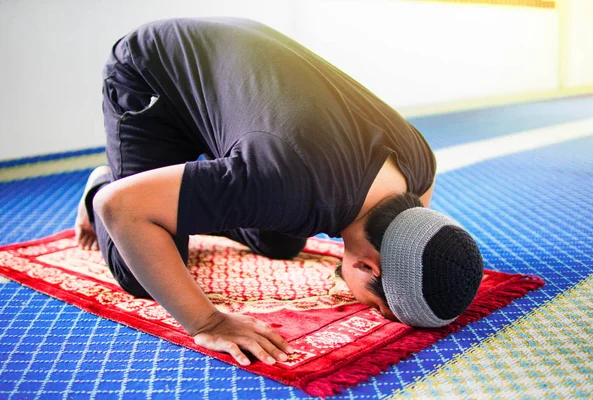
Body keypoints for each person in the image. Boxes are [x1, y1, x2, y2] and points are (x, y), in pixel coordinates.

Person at [74, 18, 484, 367]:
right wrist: (208, 323)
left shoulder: (419, 162)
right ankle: (103, 181)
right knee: (139, 272)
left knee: (279, 242)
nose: (369, 310)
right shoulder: (284, 187)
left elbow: (418, 211)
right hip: (153, 73)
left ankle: (183, 189)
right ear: (370, 267)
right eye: (377, 305)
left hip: (234, 73)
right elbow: (122, 207)